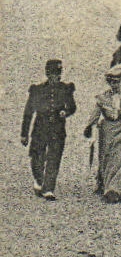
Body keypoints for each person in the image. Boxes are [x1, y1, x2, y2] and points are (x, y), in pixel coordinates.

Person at [84, 66, 121, 203]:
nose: (115, 85)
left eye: (118, 82)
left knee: (120, 158)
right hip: (106, 130)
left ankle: (113, 189)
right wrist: (89, 126)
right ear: (109, 82)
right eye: (112, 82)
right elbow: (95, 113)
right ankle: (105, 185)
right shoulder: (103, 98)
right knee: (107, 157)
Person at [21, 59, 75, 200]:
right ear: (47, 73)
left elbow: (72, 106)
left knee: (54, 157)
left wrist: (66, 111)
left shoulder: (66, 89)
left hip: (57, 130)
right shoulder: (37, 90)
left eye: (57, 73)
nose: (55, 77)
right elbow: (28, 112)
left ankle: (49, 188)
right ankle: (39, 180)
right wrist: (24, 134)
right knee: (37, 157)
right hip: (40, 129)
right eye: (52, 74)